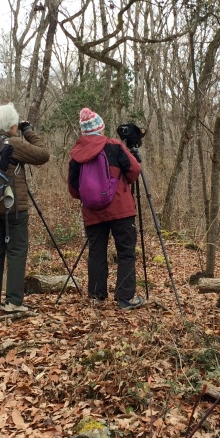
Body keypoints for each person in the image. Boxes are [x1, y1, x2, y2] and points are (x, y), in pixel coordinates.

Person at [67, 108, 144, 310]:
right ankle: (125, 298)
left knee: (97, 252)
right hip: (121, 208)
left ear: (84, 132)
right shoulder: (114, 146)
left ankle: (96, 296)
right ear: (100, 128)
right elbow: (135, 170)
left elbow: (74, 189)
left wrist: (91, 196)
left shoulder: (76, 154)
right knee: (126, 252)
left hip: (93, 211)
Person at [0, 102, 50, 316]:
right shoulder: (14, 142)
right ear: (12, 125)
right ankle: (13, 302)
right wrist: (28, 131)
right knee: (17, 251)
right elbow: (43, 155)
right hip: (13, 207)